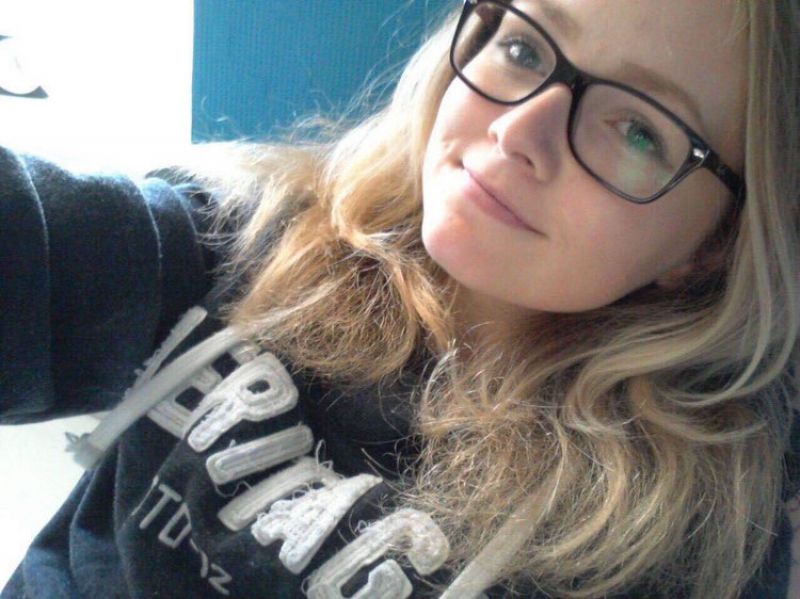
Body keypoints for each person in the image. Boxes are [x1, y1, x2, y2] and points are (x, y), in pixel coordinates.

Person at [1, 0, 799, 597]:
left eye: (638, 131)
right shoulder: (247, 238)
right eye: (524, 47)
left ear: (713, 244)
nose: (519, 130)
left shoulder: (695, 536)